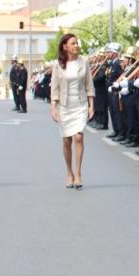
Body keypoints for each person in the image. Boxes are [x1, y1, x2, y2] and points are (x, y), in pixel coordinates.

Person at [49, 33, 95, 189]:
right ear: (65, 46)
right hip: (64, 106)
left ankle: (78, 173)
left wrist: (91, 105)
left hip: (80, 104)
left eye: (77, 43)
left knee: (78, 137)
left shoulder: (84, 62)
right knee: (66, 140)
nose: (76, 46)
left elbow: (89, 84)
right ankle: (69, 172)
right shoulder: (58, 65)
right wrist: (53, 107)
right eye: (73, 43)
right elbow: (54, 87)